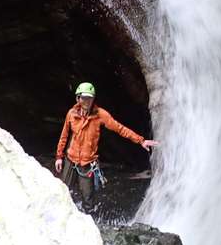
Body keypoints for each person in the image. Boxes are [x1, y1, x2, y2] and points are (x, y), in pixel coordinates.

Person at [55, 82, 158, 212]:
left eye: (90, 98)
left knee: (88, 198)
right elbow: (64, 136)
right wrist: (59, 157)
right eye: (84, 98)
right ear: (78, 98)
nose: (87, 101)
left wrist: (140, 140)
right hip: (70, 160)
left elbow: (120, 128)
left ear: (93, 99)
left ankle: (88, 218)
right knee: (62, 190)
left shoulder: (100, 115)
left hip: (87, 163)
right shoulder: (71, 114)